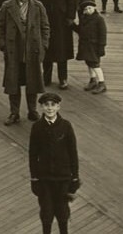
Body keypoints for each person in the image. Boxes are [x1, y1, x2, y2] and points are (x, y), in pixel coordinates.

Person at [0, 0, 51, 125]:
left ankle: (32, 111)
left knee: (32, 81)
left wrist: (43, 46)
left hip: (32, 51)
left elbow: (45, 27)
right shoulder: (7, 6)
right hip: (14, 51)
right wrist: (3, 45)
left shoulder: (38, 6)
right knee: (13, 83)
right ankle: (14, 113)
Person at [28, 92, 80, 234]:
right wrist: (34, 178)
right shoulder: (37, 127)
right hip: (45, 179)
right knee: (46, 213)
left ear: (58, 107)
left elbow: (72, 153)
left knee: (62, 212)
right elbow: (33, 154)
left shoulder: (66, 126)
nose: (50, 108)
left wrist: (74, 177)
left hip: (63, 178)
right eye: (46, 105)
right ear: (42, 107)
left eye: (53, 105)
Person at [74, 0, 107, 94]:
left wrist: (102, 46)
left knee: (95, 64)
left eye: (90, 8)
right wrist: (73, 26)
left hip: (94, 46)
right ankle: (93, 80)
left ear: (94, 7)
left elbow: (102, 34)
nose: (88, 10)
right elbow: (81, 30)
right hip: (85, 45)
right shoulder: (84, 18)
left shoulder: (99, 19)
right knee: (88, 63)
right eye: (86, 9)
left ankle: (102, 83)